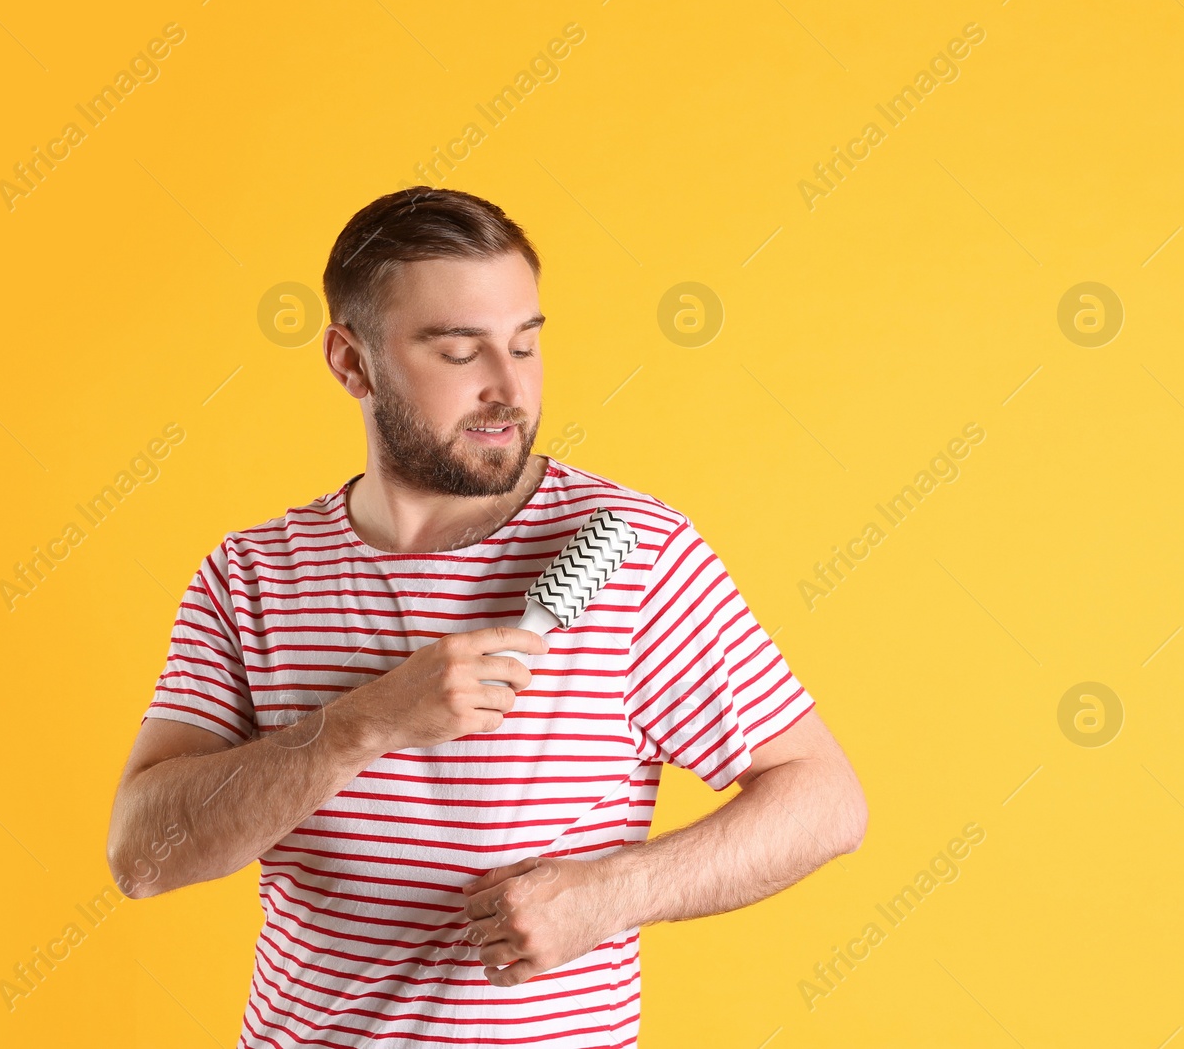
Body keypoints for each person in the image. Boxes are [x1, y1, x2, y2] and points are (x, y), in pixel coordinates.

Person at [105, 186, 868, 1048]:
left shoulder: (638, 554)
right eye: (461, 352)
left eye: (525, 345)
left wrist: (613, 892)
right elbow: (144, 856)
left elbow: (825, 798)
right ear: (351, 363)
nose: (509, 388)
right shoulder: (251, 576)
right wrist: (367, 721)